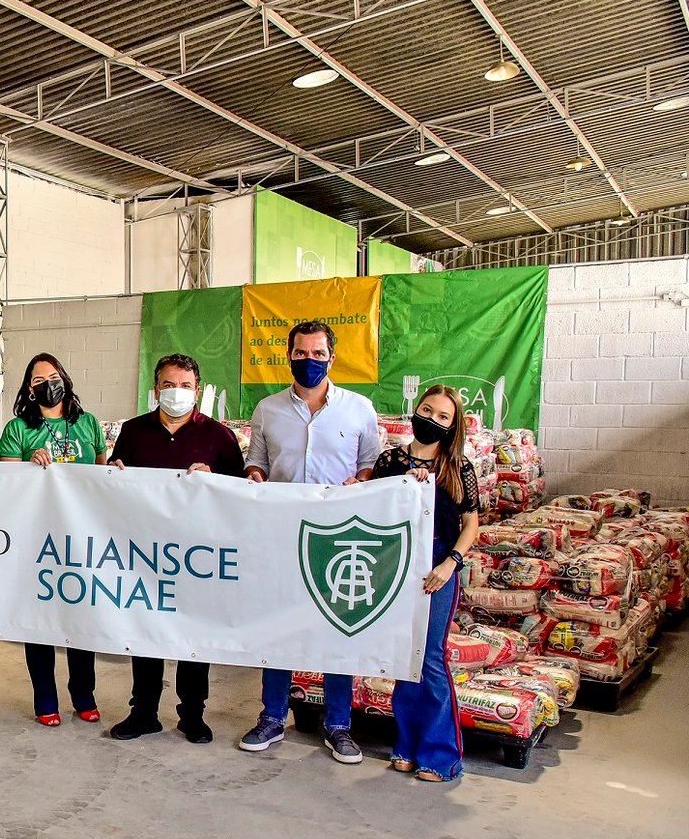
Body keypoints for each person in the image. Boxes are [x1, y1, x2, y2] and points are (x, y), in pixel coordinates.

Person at [238, 320, 382, 762]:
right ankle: (272, 716)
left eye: (318, 354)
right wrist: (256, 476)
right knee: (278, 626)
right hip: (281, 535)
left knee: (338, 628)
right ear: (289, 356)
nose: (310, 361)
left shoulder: (358, 409)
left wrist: (356, 482)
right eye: (301, 353)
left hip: (339, 537)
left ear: (332, 358)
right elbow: (256, 463)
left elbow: (371, 467)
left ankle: (339, 725)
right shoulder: (267, 409)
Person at [106, 352, 245, 744]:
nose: (177, 393)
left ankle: (192, 715)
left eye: (185, 386)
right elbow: (115, 483)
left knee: (192, 636)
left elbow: (239, 496)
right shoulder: (133, 431)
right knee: (146, 630)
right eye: (169, 385)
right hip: (145, 552)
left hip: (196, 555)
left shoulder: (219, 437)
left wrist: (214, 478)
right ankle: (144, 712)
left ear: (197, 391)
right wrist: (113, 474)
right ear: (155, 390)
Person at [369, 385, 478, 782]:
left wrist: (451, 563)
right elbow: (374, 510)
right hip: (396, 567)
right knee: (404, 656)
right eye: (427, 409)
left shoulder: (457, 468)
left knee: (431, 657)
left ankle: (441, 754)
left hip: (437, 569)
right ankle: (407, 745)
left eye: (443, 416)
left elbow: (470, 523)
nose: (432, 419)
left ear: (453, 426)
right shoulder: (390, 461)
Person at [0, 353, 106, 727]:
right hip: (37, 540)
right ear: (29, 388)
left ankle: (84, 694)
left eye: (54, 376)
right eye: (39, 380)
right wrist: (30, 467)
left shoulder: (89, 424)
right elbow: (8, 488)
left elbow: (103, 476)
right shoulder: (18, 430)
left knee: (82, 617)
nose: (48, 384)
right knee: (39, 618)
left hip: (81, 539)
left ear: (65, 379)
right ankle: (45, 696)